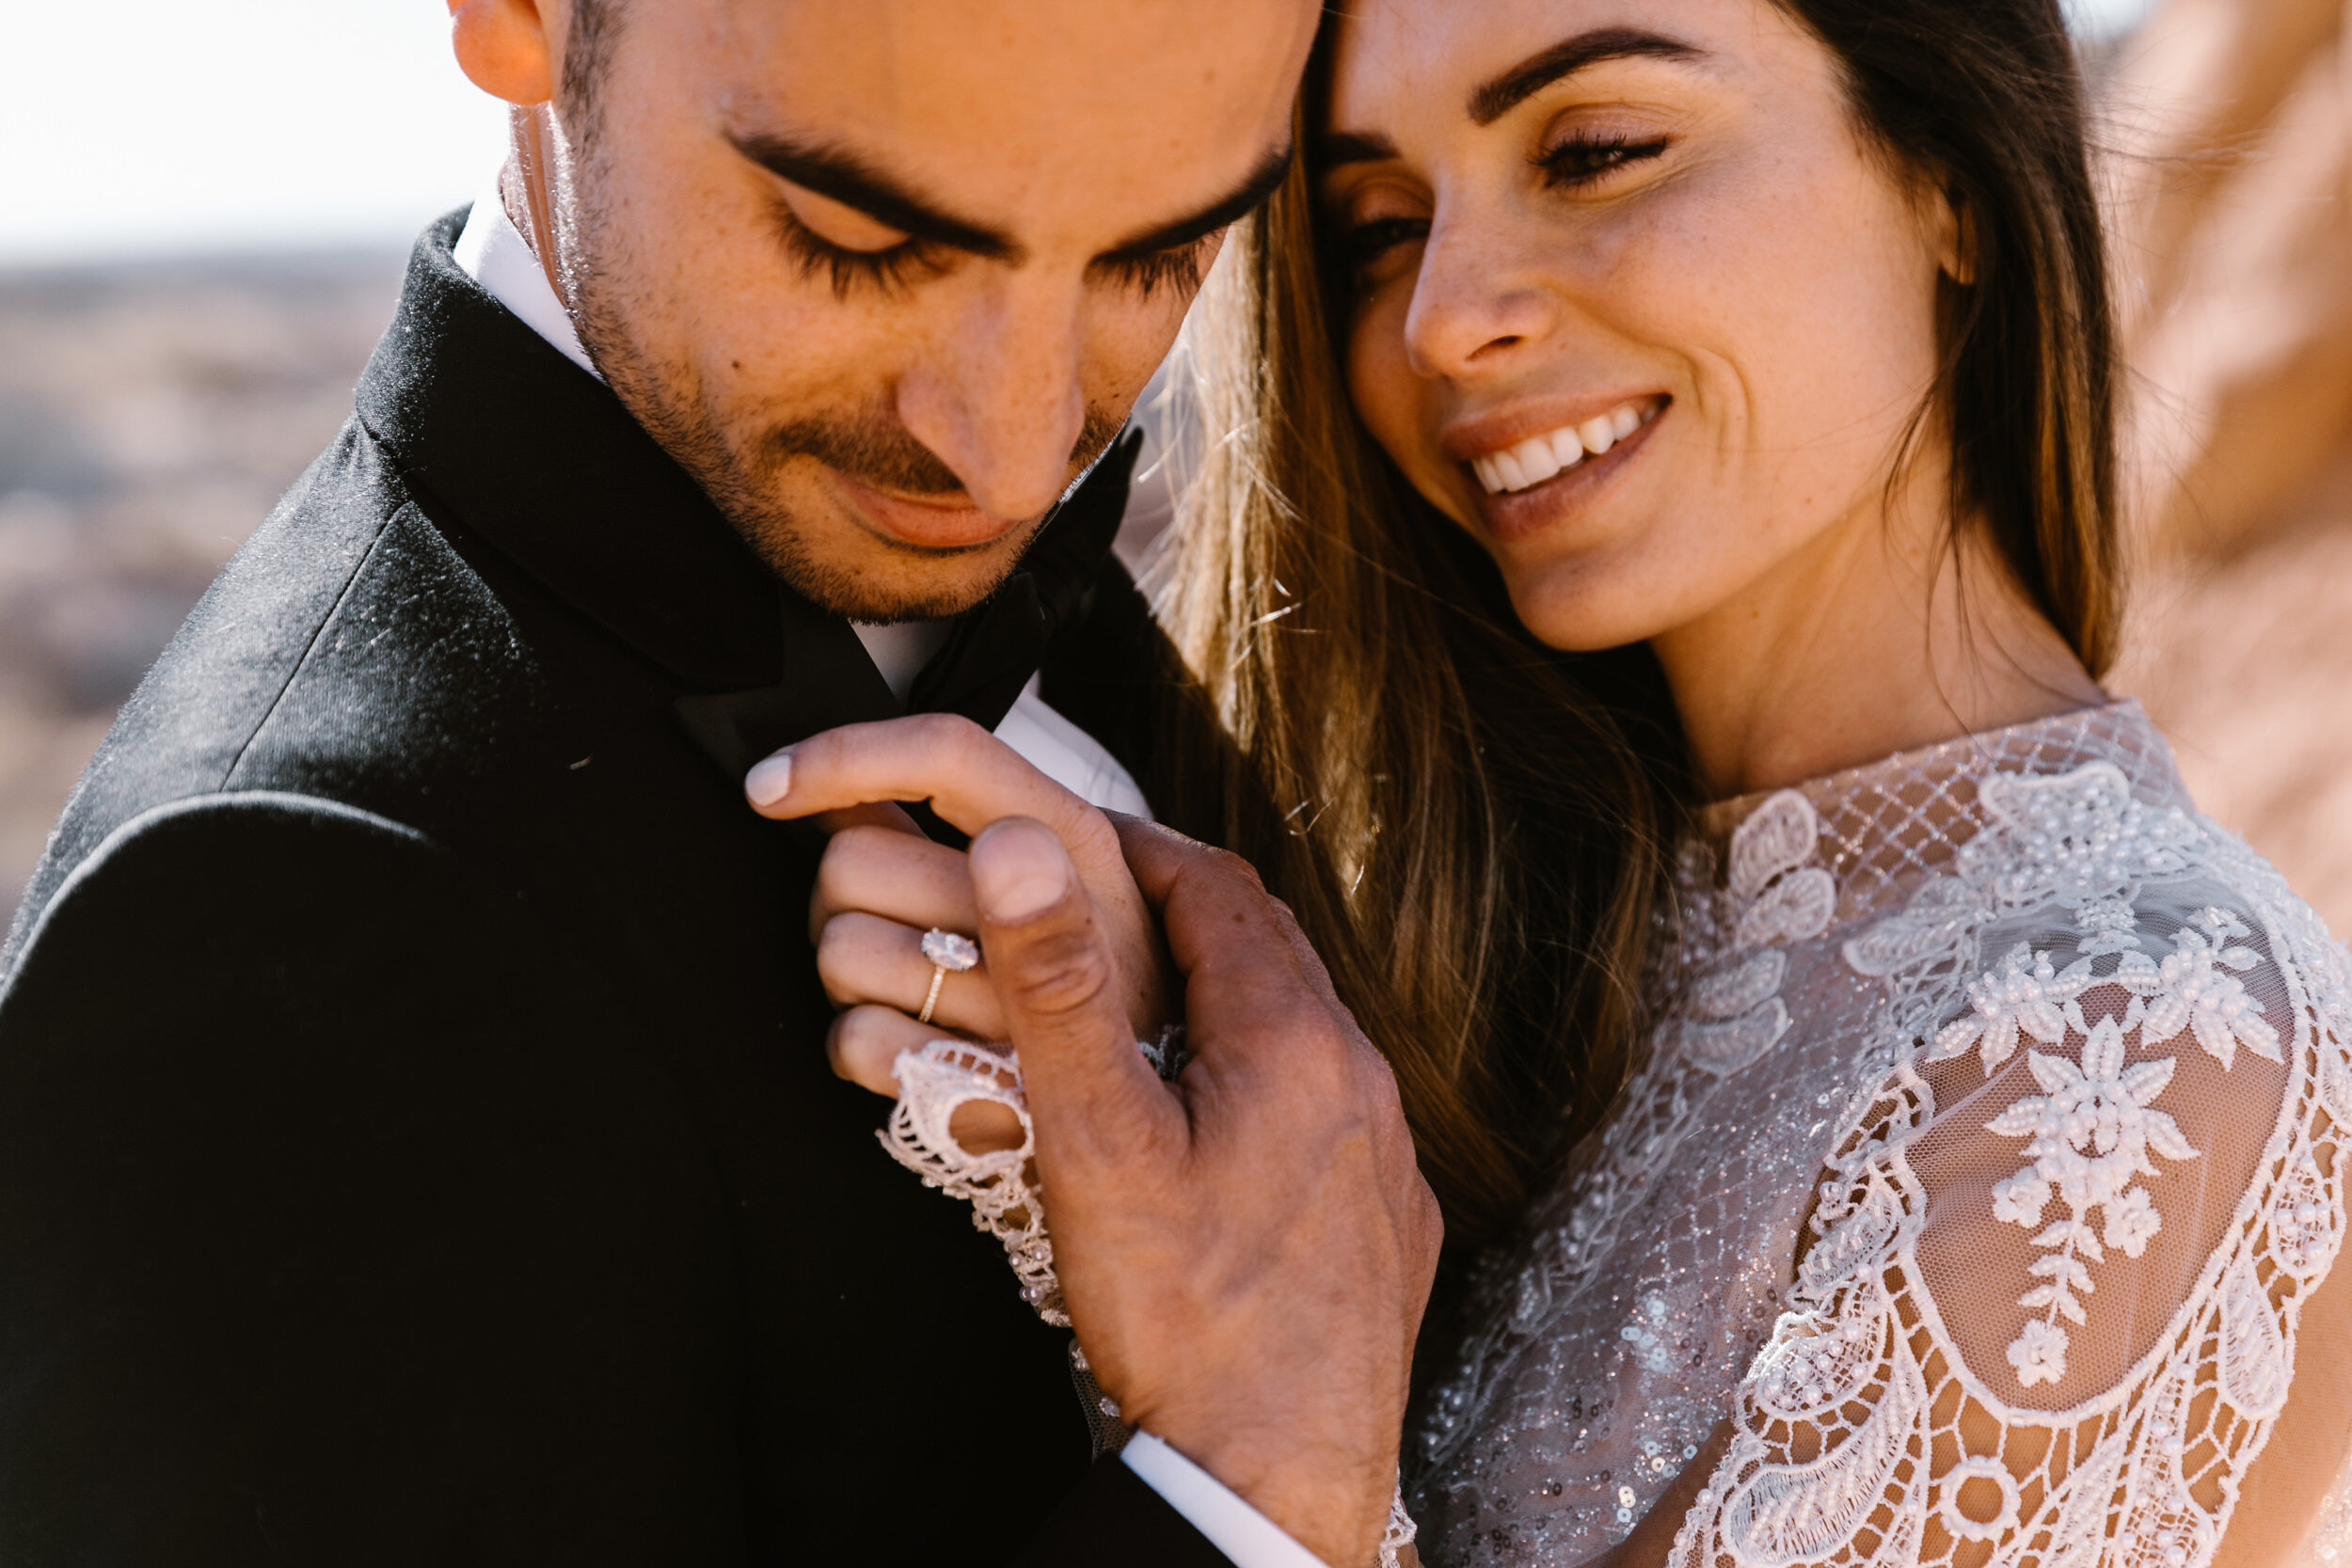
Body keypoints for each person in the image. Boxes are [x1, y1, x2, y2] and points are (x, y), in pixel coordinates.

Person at [803, 1, 2352, 1565]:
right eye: (1379, 227)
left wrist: (1265, 1397)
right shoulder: (1501, 933)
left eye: (1599, 151)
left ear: (1952, 175)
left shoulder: (2155, 1045)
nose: (1441, 319)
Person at [0, 3, 1442, 1565]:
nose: (1015, 455)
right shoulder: (275, 913)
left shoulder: (1030, 578)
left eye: (1158, 257)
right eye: (861, 240)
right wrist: (1253, 1480)